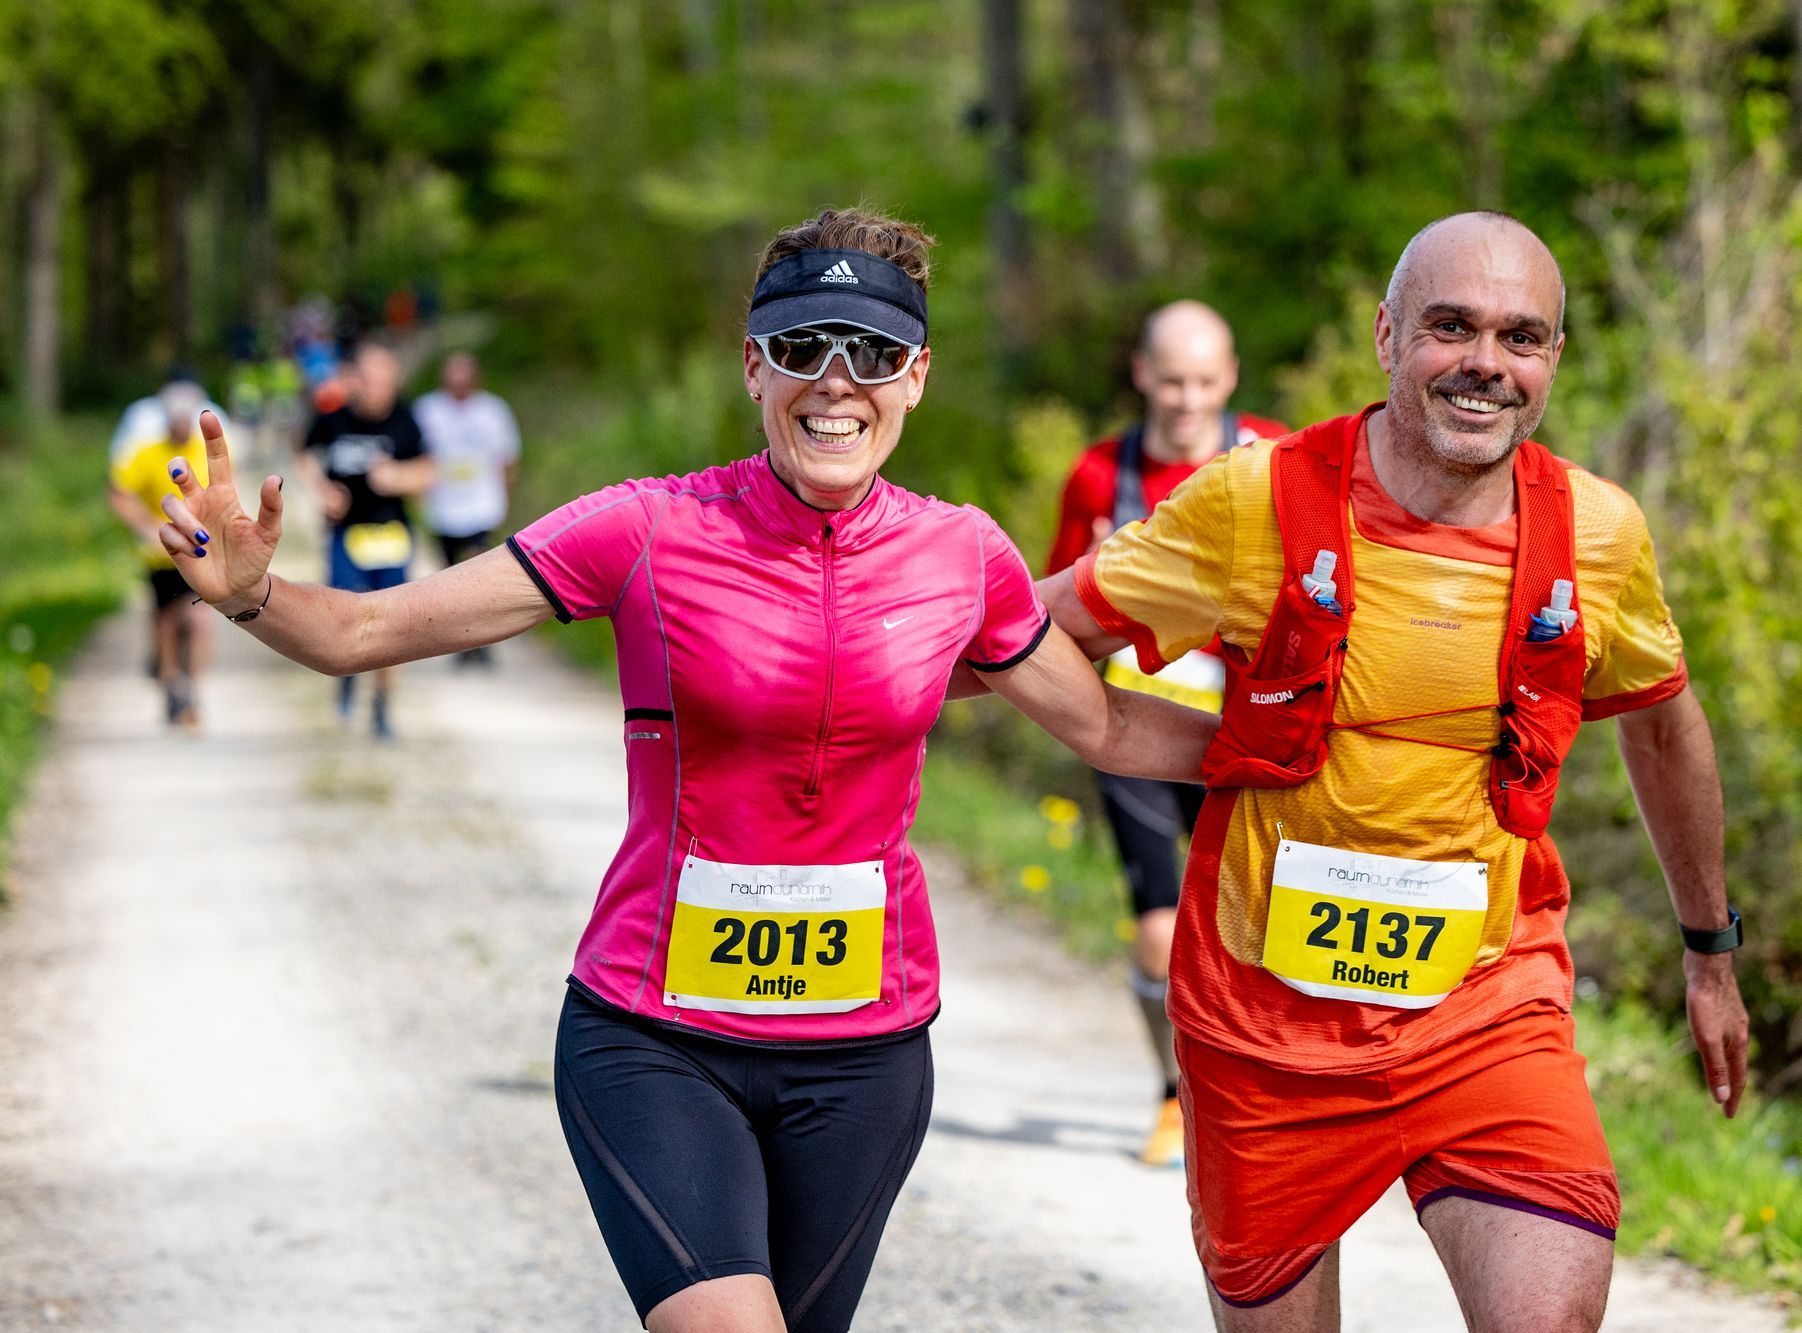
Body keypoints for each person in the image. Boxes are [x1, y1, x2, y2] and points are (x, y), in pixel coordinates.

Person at [155, 207, 1219, 1333]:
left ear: (916, 377)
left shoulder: (962, 554)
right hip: (653, 1036)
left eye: (871, 353)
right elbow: (366, 633)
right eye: (803, 348)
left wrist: (1309, 749)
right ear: (753, 363)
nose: (835, 382)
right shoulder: (645, 529)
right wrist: (250, 595)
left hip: (863, 1056)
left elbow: (1101, 726)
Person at [1039, 212, 1749, 1331]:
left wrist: (1709, 953)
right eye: (1449, 327)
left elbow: (1663, 728)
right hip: (1262, 1031)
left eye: (1520, 336)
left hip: (1485, 1009)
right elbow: (1038, 632)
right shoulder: (1248, 498)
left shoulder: (1597, 533)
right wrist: (818, 665)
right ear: (1383, 336)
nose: (1484, 363)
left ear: (1552, 359)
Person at [1045, 300, 1286, 1168]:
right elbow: (1057, 610)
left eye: (1205, 381)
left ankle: (1259, 1097)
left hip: (1244, 727)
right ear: (1143, 375)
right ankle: (1174, 1095)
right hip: (1136, 727)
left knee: (1255, 929)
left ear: (1229, 380)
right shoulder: (1097, 474)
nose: (1187, 400)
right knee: (1158, 928)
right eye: (1171, 380)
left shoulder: (1271, 458)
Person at [298, 342, 435, 738]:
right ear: (356, 380)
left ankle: (382, 704)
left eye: (386, 380)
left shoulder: (407, 418)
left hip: (391, 532)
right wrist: (323, 490)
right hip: (347, 533)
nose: (379, 388)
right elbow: (305, 454)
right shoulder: (333, 417)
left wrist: (398, 478)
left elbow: (430, 470)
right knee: (344, 612)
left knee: (392, 626)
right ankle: (345, 674)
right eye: (372, 380)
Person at [106, 377, 229, 728]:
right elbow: (118, 492)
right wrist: (144, 525)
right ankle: (171, 682)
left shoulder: (206, 452)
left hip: (201, 552)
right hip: (161, 554)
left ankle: (193, 689)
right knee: (167, 621)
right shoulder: (146, 453)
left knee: (200, 619)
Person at [413, 351, 521, 667]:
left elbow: (507, 457)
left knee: (479, 572)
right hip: (443, 507)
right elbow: (419, 458)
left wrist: (503, 495)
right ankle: (459, 640)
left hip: (480, 505)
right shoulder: (428, 411)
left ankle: (483, 640)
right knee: (450, 577)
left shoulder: (493, 411)